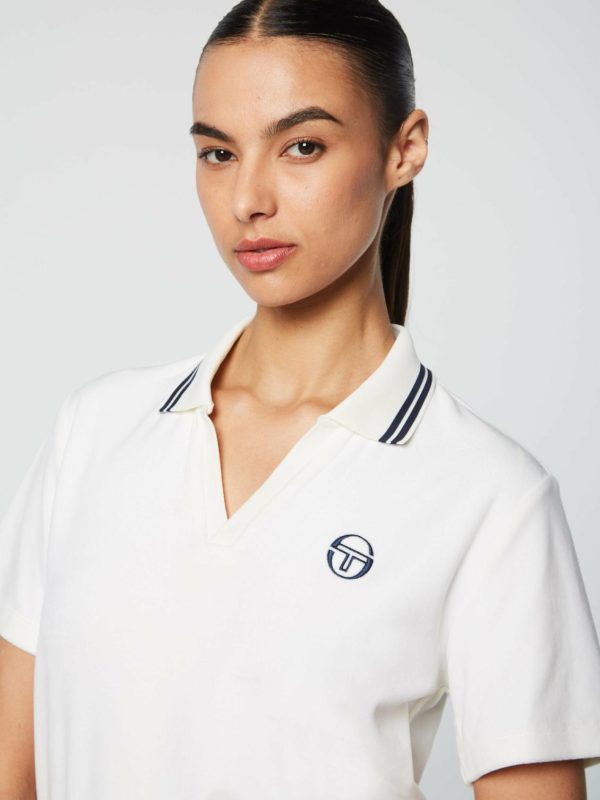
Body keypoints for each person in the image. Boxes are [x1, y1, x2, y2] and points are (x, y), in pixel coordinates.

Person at [1, 1, 600, 798]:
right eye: (218, 153)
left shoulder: (493, 499)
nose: (248, 198)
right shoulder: (96, 432)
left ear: (405, 149)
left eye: (302, 146)